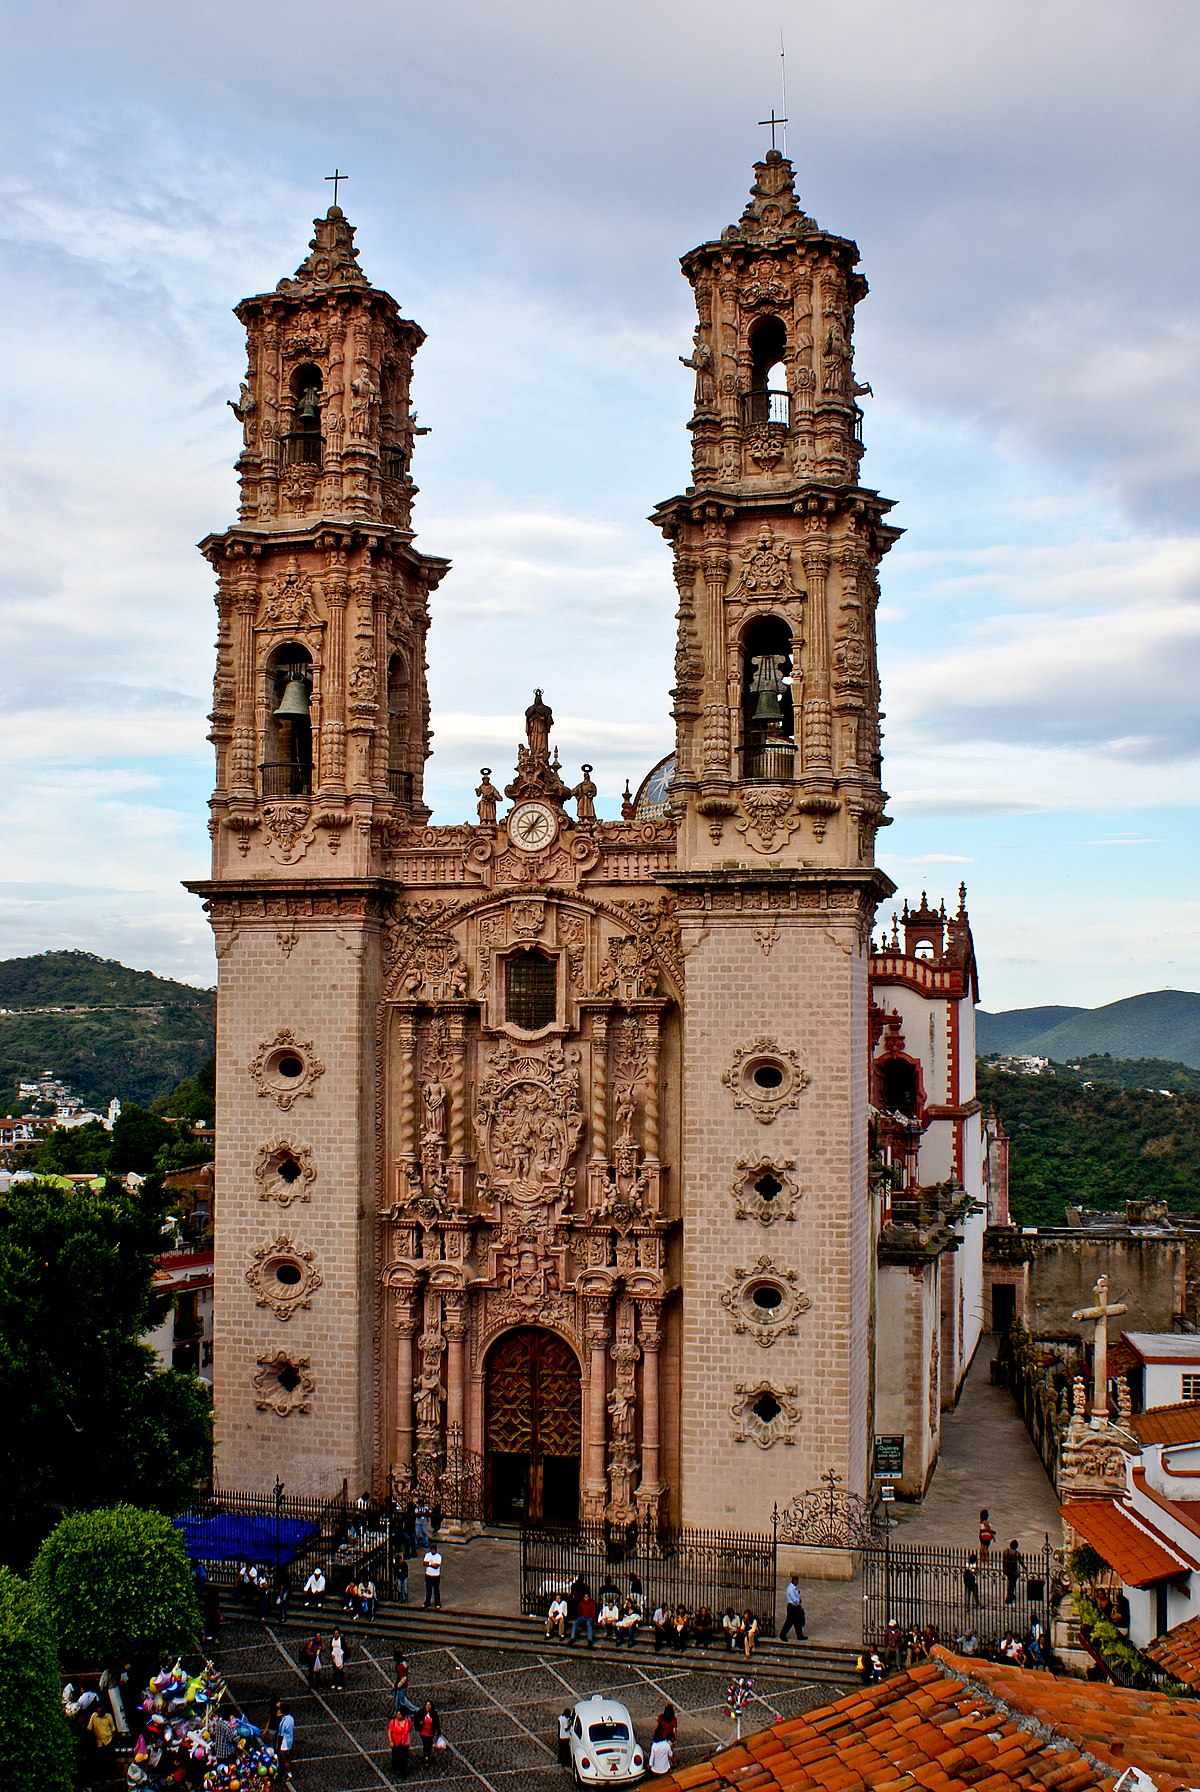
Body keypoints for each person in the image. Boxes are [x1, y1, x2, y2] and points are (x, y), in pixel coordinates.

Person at [779, 1574, 806, 1641]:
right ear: (793, 1581)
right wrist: (799, 1601)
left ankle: (800, 1636)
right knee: (789, 1622)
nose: (797, 1582)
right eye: (796, 1581)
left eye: (797, 1581)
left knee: (797, 1622)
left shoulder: (794, 1588)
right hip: (792, 1607)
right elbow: (795, 1599)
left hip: (795, 1607)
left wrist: (800, 1606)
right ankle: (782, 1635)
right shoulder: (791, 1589)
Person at [388, 1709, 413, 1779]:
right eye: (397, 1714)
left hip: (405, 1742)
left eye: (399, 1714)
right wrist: (391, 1741)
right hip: (396, 1742)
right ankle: (396, 1767)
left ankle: (402, 1771)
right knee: (397, 1756)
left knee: (404, 1757)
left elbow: (410, 1729)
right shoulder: (393, 1722)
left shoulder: (408, 1721)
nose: (398, 1716)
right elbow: (389, 1732)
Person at [277, 1706, 295, 1784]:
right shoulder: (291, 1718)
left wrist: (279, 1745)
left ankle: (289, 1774)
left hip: (284, 1742)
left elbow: (280, 1735)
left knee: (283, 1759)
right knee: (287, 1756)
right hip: (290, 1740)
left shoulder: (282, 1723)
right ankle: (288, 1770)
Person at [1002, 1539, 1021, 1605]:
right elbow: (1020, 1561)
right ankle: (1009, 1598)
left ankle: (1011, 1595)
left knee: (1010, 1583)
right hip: (1013, 1571)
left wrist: (1004, 1570)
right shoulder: (1016, 1554)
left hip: (1007, 1570)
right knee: (1012, 1584)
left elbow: (1003, 1561)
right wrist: (1025, 1567)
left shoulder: (1005, 1551)